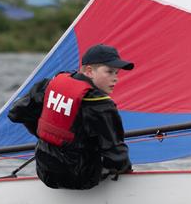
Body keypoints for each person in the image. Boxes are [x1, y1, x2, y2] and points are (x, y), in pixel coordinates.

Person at [8, 44, 134, 189]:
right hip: (81, 178)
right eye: (109, 72)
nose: (115, 79)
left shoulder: (51, 84)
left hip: (45, 172)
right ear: (89, 71)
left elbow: (17, 113)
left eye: (116, 73)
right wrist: (127, 172)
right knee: (113, 158)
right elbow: (115, 153)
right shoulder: (100, 104)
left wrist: (47, 135)